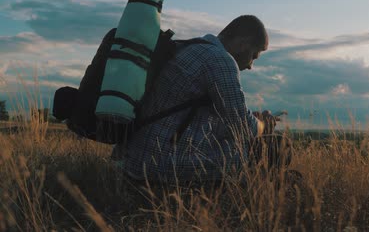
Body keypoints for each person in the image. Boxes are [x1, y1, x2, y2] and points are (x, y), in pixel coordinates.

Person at [111, 15, 291, 185]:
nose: (251, 65)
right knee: (276, 146)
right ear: (243, 43)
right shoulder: (220, 60)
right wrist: (263, 124)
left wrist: (252, 117)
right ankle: (253, 198)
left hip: (132, 159)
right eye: (254, 56)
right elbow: (243, 127)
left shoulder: (190, 48)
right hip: (158, 166)